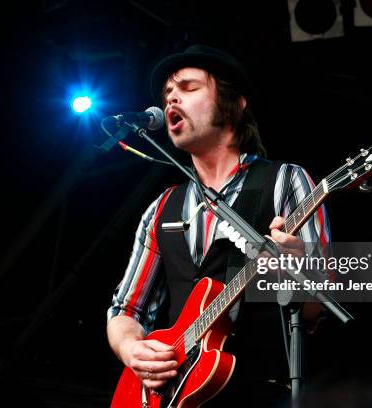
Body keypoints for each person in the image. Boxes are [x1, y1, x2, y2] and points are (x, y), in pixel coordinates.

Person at [106, 44, 331, 407]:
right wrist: (133, 348)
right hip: (177, 394)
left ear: (234, 103)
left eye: (188, 87)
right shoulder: (162, 208)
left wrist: (300, 268)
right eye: (167, 94)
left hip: (263, 392)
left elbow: (317, 306)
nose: (171, 99)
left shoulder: (285, 181)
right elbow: (125, 311)